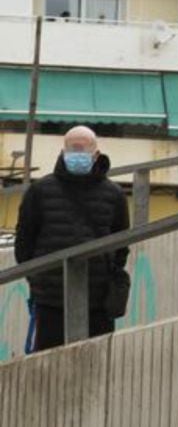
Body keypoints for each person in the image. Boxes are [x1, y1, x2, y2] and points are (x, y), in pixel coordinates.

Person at [15, 126, 130, 352]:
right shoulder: (39, 192)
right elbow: (24, 242)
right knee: (48, 369)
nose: (77, 154)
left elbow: (121, 244)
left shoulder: (114, 195)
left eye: (82, 149)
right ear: (63, 152)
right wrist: (37, 279)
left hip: (98, 301)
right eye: (73, 149)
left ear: (96, 154)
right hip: (51, 301)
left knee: (96, 366)